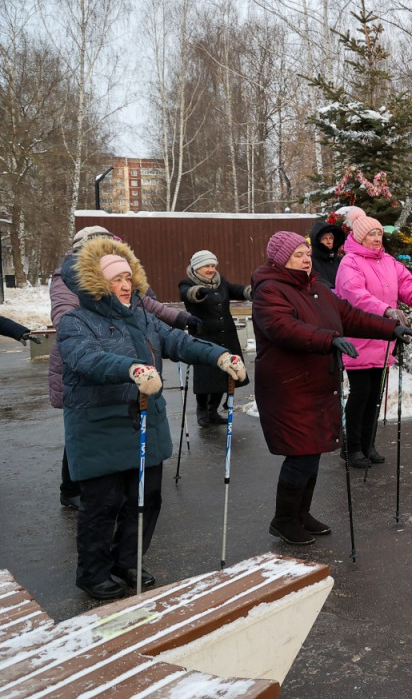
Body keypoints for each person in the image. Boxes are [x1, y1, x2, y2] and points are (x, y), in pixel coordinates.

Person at [56, 236, 245, 601]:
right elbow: (85, 359)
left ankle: (127, 560)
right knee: (103, 505)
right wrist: (132, 368)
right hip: (101, 424)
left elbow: (177, 341)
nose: (125, 286)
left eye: (128, 277)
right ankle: (92, 573)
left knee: (146, 499)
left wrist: (219, 356)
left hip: (145, 420)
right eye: (115, 280)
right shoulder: (76, 322)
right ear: (95, 283)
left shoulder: (142, 316)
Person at [251, 231, 412, 546]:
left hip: (315, 384)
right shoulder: (269, 291)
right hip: (287, 388)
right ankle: (284, 520)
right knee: (300, 454)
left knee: (311, 452)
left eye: (305, 253)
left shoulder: (316, 288)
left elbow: (350, 316)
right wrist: (329, 339)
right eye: (297, 254)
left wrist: (391, 329)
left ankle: (301, 514)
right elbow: (284, 328)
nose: (305, 258)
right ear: (280, 258)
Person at [50, 226, 197, 512]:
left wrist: (179, 318)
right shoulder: (68, 276)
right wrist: (97, 328)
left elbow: (146, 304)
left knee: (120, 415)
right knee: (86, 425)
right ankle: (70, 488)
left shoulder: (119, 271)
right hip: (86, 356)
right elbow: (63, 313)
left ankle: (126, 479)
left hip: (124, 351)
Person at [335, 214, 412, 467]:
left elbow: (407, 287)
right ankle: (351, 447)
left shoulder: (388, 261)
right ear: (359, 236)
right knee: (360, 394)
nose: (376, 239)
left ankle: (368, 444)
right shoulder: (349, 263)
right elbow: (356, 296)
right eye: (370, 234)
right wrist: (386, 311)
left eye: (378, 234)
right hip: (360, 337)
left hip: (384, 339)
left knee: (375, 394)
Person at [179, 250, 251, 428]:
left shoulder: (221, 282)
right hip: (204, 336)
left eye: (213, 265)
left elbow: (237, 290)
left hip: (226, 334)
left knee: (224, 374)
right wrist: (199, 291)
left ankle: (213, 411)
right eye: (206, 266)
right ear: (196, 268)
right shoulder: (187, 283)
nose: (211, 269)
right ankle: (202, 411)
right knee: (206, 376)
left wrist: (252, 291)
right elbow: (188, 293)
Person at [310, 219, 346, 289]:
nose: (329, 241)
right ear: (317, 241)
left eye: (331, 238)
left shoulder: (339, 260)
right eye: (324, 238)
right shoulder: (311, 262)